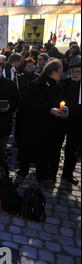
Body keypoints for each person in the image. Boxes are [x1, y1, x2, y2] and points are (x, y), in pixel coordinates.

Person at [17, 59, 66, 189]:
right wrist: (49, 109)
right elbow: (29, 104)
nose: (61, 74)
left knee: (44, 152)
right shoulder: (36, 85)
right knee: (26, 152)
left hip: (48, 128)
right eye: (60, 72)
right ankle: (22, 173)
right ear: (52, 73)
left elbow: (59, 102)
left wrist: (63, 110)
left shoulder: (57, 86)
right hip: (31, 126)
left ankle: (42, 176)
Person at [61, 55, 81, 186]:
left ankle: (68, 174)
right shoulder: (64, 83)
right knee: (55, 147)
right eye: (73, 71)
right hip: (62, 119)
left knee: (72, 150)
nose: (75, 74)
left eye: (78, 71)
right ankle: (51, 172)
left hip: (78, 122)